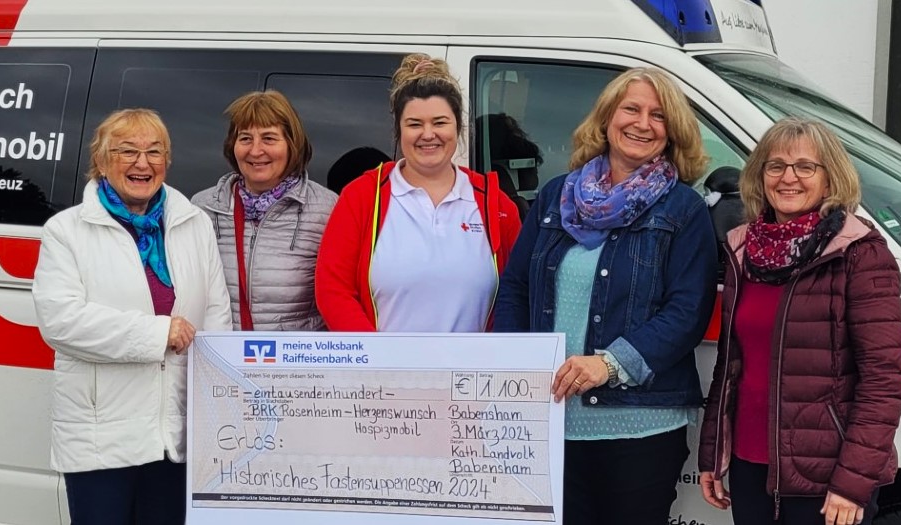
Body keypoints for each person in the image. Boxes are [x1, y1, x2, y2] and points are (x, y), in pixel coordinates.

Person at [492, 67, 717, 525]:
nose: (643, 123)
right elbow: (516, 287)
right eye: (631, 109)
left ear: (672, 131)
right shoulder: (556, 196)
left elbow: (687, 311)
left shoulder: (684, 209)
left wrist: (609, 363)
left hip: (640, 429)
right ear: (607, 118)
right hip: (550, 422)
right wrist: (516, 365)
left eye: (658, 115)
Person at [697, 117, 901, 525]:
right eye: (776, 166)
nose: (788, 177)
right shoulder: (742, 249)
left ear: (830, 180)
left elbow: (883, 381)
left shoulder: (859, 252)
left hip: (826, 478)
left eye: (805, 166)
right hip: (749, 465)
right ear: (761, 177)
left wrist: (852, 482)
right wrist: (713, 452)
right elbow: (730, 365)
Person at [32, 108, 232, 525]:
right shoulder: (66, 230)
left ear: (167, 161)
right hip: (101, 437)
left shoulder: (194, 223)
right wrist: (158, 333)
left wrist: (214, 406)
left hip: (173, 437)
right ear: (101, 161)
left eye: (155, 151)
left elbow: (216, 313)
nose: (143, 163)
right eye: (127, 151)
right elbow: (61, 321)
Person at [315, 53, 522, 332]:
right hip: (383, 361)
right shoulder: (362, 197)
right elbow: (333, 290)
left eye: (440, 122)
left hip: (473, 362)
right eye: (414, 124)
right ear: (398, 130)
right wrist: (374, 353)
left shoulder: (496, 204)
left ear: (458, 126)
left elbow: (517, 294)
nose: (428, 134)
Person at [193, 90, 337, 331]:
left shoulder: (327, 209)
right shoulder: (203, 208)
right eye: (245, 138)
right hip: (221, 353)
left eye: (269, 138)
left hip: (296, 354)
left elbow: (342, 296)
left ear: (292, 144)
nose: (256, 150)